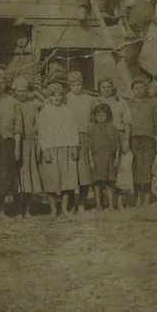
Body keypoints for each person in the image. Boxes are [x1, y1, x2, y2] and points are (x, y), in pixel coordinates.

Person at [37, 81, 82, 217]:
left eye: (59, 95)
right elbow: (42, 132)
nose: (57, 98)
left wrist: (74, 146)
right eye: (53, 95)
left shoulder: (68, 110)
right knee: (51, 181)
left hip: (66, 148)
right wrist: (45, 150)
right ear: (49, 97)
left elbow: (74, 129)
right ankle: (53, 209)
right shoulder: (45, 111)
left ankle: (64, 208)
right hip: (51, 148)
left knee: (67, 181)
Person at [0, 70, 21, 219]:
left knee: (8, 175)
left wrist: (17, 148)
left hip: (9, 142)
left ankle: (7, 209)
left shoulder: (13, 102)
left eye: (2, 82)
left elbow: (18, 127)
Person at [127, 77, 157, 206]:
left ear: (145, 89)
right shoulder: (128, 104)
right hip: (134, 139)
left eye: (141, 88)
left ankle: (147, 196)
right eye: (136, 88)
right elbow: (126, 123)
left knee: (147, 167)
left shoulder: (152, 104)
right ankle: (138, 197)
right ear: (132, 90)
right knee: (136, 167)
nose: (139, 90)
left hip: (149, 140)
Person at [65, 71, 95, 212]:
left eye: (79, 84)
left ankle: (82, 201)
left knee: (84, 171)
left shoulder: (89, 99)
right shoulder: (66, 98)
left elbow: (93, 119)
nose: (76, 87)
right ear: (69, 86)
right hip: (68, 138)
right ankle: (71, 202)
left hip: (84, 136)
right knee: (70, 171)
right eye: (73, 85)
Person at [13, 77, 41, 217]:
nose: (22, 94)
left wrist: (35, 93)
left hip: (30, 143)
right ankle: (18, 209)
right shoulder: (12, 104)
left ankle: (28, 208)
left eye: (24, 91)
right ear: (15, 91)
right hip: (18, 144)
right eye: (19, 91)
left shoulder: (33, 105)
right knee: (19, 178)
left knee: (31, 176)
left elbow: (38, 125)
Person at [88, 103, 123, 211]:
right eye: (98, 115)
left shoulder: (113, 128)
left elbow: (117, 146)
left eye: (103, 115)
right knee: (97, 182)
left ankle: (111, 205)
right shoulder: (92, 129)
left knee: (110, 182)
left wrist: (117, 158)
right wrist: (91, 160)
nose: (101, 118)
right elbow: (89, 147)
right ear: (95, 116)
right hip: (96, 158)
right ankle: (98, 205)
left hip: (109, 158)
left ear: (108, 115)